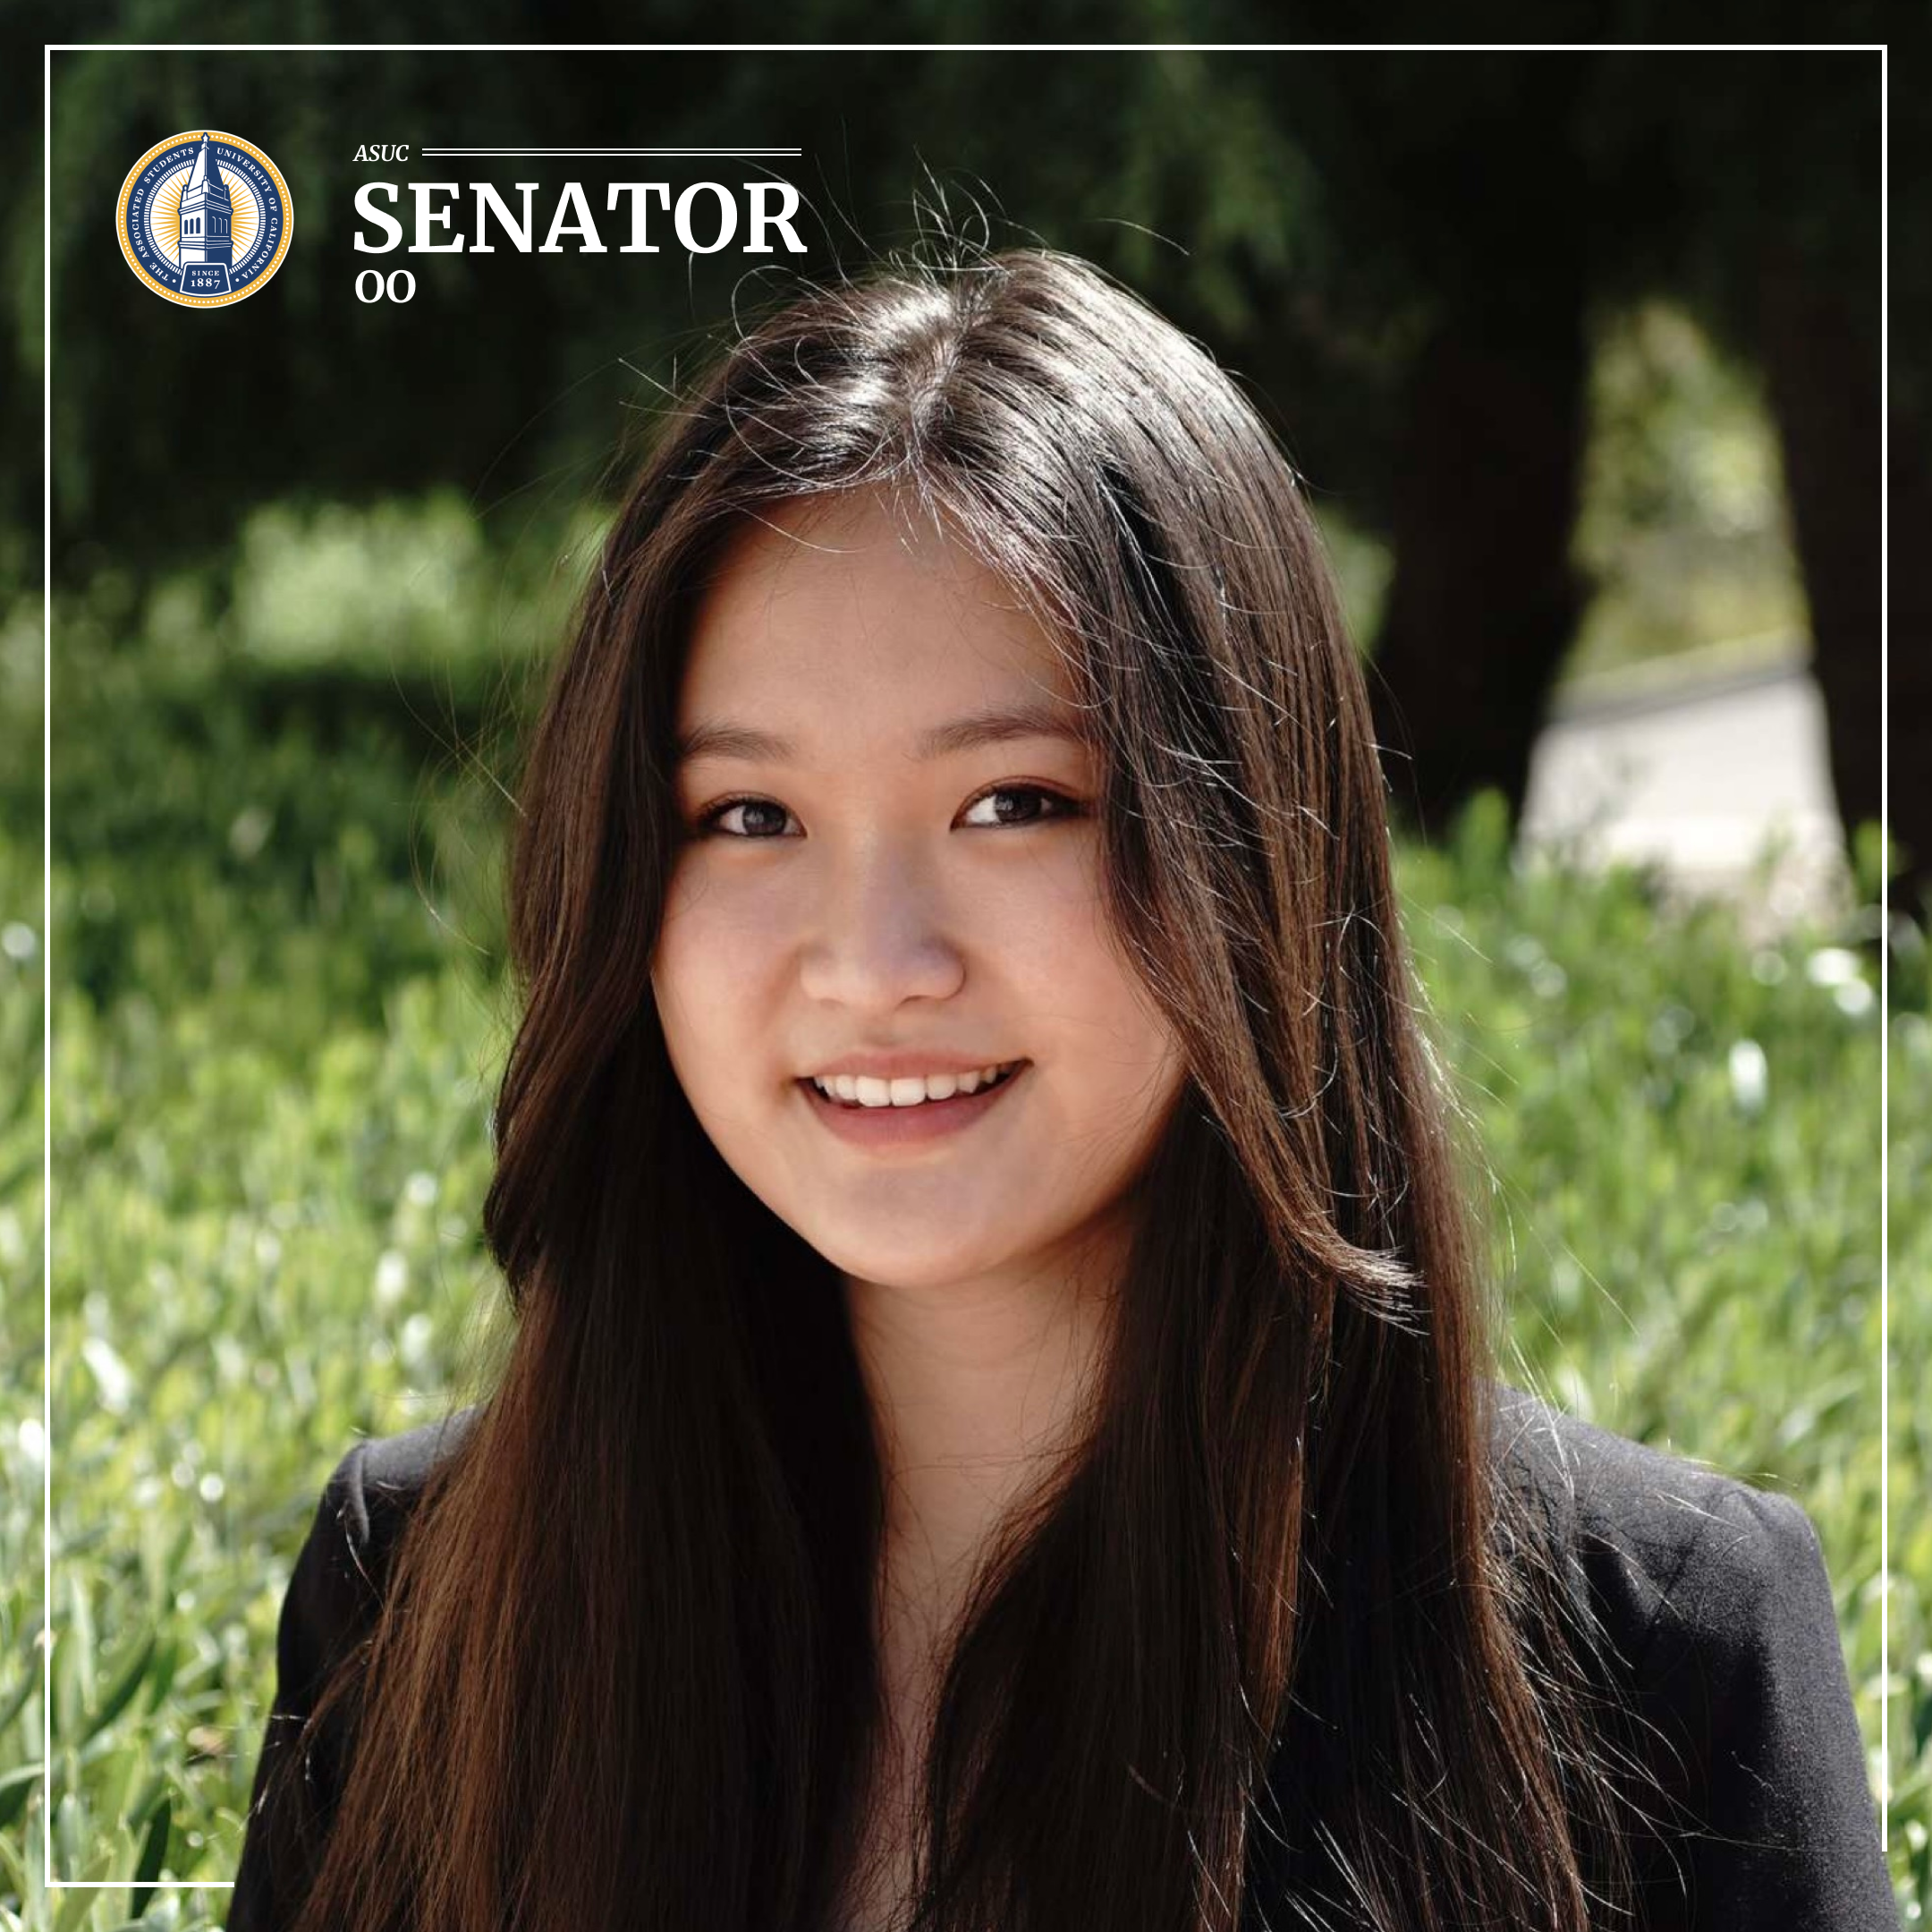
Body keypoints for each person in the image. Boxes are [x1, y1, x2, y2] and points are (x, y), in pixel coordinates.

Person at [226, 249, 1897, 1932]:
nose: (874, 962)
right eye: (747, 816)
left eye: (1016, 802)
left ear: (1251, 843)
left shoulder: (1660, 1656)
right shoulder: (416, 1594)